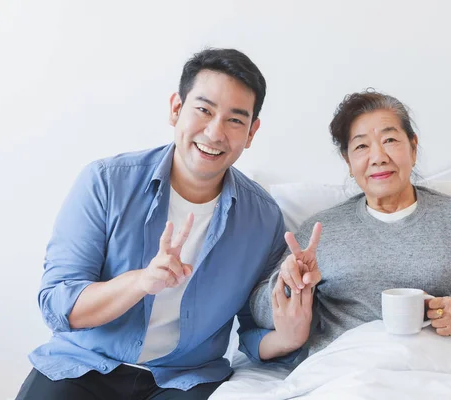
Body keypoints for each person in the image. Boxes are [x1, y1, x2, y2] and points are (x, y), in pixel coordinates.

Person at [16, 48, 298, 400]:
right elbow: (58, 304)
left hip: (186, 379)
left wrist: (291, 332)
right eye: (204, 110)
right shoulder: (105, 182)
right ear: (176, 109)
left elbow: (254, 332)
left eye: (235, 120)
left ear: (251, 132)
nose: (214, 133)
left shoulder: (263, 217)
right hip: (85, 365)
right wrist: (141, 282)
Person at [251, 89, 451, 359]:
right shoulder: (319, 232)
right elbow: (261, 311)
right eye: (361, 146)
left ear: (413, 147)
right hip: (350, 373)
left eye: (390, 140)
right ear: (348, 161)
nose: (378, 157)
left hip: (446, 368)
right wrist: (292, 285)